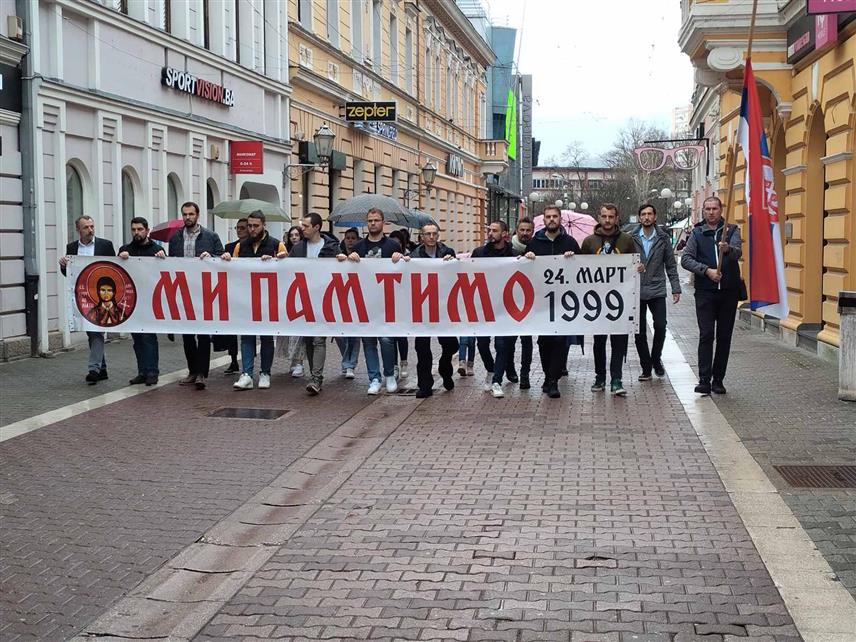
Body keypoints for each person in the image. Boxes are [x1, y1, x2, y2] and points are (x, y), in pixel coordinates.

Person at [338, 207, 405, 395]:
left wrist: (399, 259)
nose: (373, 223)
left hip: (387, 302)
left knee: (386, 340)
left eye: (376, 220)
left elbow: (404, 270)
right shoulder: (358, 247)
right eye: (369, 221)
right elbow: (348, 272)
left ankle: (389, 374)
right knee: (368, 341)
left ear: (383, 222)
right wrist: (347, 259)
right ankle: (374, 378)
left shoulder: (392, 246)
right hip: (365, 302)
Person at [681, 196, 743, 395]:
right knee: (706, 335)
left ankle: (719, 379)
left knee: (724, 337)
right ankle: (704, 379)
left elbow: (738, 253)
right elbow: (686, 259)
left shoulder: (731, 230)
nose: (711, 212)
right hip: (705, 293)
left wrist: (728, 249)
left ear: (721, 210)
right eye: (707, 209)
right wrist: (706, 270)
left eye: (714, 208)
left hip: (728, 292)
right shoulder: (697, 233)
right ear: (703, 211)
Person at [580, 203, 642, 397]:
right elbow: (579, 270)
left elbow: (636, 262)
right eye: (604, 216)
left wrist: (639, 267)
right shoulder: (589, 242)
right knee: (598, 342)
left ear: (617, 218)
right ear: (599, 217)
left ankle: (616, 379)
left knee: (619, 341)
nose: (607, 220)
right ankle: (600, 377)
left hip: (620, 299)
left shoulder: (627, 240)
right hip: (596, 300)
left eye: (611, 217)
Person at [220, 211, 286, 391]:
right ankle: (247, 374)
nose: (251, 229)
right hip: (246, 299)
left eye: (255, 226)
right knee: (247, 336)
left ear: (264, 225)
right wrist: (227, 260)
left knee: (266, 338)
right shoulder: (240, 246)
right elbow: (232, 269)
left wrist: (278, 260)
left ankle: (265, 372)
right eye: (249, 226)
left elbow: (287, 269)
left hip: (268, 300)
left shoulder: (276, 245)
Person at [523, 206, 580, 398]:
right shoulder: (534, 243)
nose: (552, 220)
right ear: (544, 220)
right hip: (541, 301)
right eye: (548, 217)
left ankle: (554, 380)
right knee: (544, 341)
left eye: (555, 216)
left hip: (564, 302)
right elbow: (525, 273)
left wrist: (574, 259)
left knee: (560, 340)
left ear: (560, 219)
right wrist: (527, 258)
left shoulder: (570, 242)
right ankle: (548, 376)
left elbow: (583, 270)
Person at [168, 201, 224, 390]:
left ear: (197, 215)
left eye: (191, 214)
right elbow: (171, 263)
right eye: (184, 214)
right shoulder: (176, 237)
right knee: (187, 334)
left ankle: (202, 372)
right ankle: (192, 370)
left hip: (204, 291)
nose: (187, 217)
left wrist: (212, 257)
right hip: (183, 290)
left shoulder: (210, 236)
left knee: (203, 334)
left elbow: (222, 258)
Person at [287, 213, 341, 395]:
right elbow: (289, 269)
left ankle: (316, 378)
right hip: (304, 298)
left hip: (324, 298)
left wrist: (343, 259)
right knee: (308, 339)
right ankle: (314, 375)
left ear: (317, 227)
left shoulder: (331, 247)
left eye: (306, 226)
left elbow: (342, 268)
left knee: (319, 339)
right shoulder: (298, 248)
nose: (303, 229)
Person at [59, 215, 116, 385]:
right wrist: (64, 266)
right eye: (86, 227)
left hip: (102, 295)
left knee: (96, 330)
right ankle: (102, 369)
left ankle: (94, 369)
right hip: (83, 296)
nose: (90, 230)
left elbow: (113, 268)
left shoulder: (105, 245)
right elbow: (70, 275)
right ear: (78, 230)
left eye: (92, 226)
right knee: (91, 331)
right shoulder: (72, 247)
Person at [632, 204, 682, 381]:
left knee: (661, 325)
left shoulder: (663, 238)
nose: (646, 217)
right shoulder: (631, 238)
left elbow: (670, 264)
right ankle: (646, 367)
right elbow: (622, 262)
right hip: (635, 290)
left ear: (655, 217)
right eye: (643, 214)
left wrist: (676, 288)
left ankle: (656, 358)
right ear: (639, 218)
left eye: (649, 214)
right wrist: (633, 267)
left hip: (657, 288)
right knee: (639, 331)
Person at [409, 223, 459, 398]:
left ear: (438, 236)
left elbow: (456, 274)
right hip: (422, 307)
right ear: (421, 237)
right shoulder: (414, 255)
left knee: (451, 344)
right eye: (427, 234)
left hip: (444, 306)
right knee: (422, 348)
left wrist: (452, 264)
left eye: (434, 234)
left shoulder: (448, 252)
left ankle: (445, 366)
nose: (431, 237)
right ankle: (425, 385)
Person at [118, 216, 165, 385]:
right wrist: (120, 258)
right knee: (137, 339)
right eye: (133, 229)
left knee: (148, 337)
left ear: (147, 230)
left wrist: (162, 257)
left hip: (150, 301)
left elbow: (164, 271)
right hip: (132, 302)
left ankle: (153, 371)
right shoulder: (126, 249)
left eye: (140, 229)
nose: (136, 233)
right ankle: (142, 371)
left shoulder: (156, 249)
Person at [471, 220, 514, 398]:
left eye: (495, 231)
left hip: (505, 307)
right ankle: (490, 369)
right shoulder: (479, 253)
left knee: (502, 344)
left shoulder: (514, 254)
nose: (490, 233)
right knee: (482, 344)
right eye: (489, 230)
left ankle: (497, 379)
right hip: (483, 306)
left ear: (504, 234)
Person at [504, 217, 536, 389]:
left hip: (529, 302)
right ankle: (510, 369)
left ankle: (525, 374)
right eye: (522, 230)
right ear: (517, 230)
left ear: (532, 231)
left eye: (528, 230)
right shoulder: (508, 250)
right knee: (509, 340)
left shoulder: (536, 248)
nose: (525, 233)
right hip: (509, 301)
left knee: (526, 341)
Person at [218, 218, 249, 374]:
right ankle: (233, 358)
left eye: (243, 227)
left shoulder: (252, 247)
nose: (240, 230)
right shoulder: (230, 247)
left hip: (249, 292)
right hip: (233, 291)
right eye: (238, 227)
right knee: (232, 329)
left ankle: (247, 360)